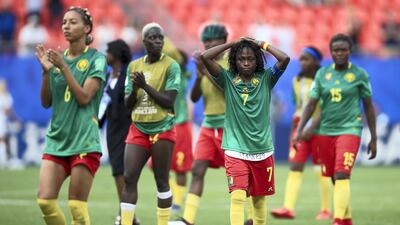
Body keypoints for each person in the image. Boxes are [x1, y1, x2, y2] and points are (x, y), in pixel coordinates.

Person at [201, 38, 290, 225]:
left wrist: (261, 44)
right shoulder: (227, 79)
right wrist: (231, 44)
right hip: (235, 149)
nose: (246, 62)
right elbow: (205, 57)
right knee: (238, 196)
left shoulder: (267, 78)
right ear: (235, 60)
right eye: (241, 59)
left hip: (262, 150)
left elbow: (285, 59)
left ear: (257, 59)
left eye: (251, 58)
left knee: (259, 200)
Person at [294, 34, 377, 225]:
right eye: (335, 50)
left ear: (350, 51)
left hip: (350, 129)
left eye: (343, 49)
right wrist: (300, 130)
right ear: (330, 52)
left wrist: (373, 137)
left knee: (342, 174)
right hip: (325, 132)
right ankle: (346, 219)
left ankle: (338, 220)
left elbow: (369, 106)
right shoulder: (322, 74)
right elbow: (311, 104)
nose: (339, 53)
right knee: (333, 176)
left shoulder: (360, 74)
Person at [35, 6, 107, 225]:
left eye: (73, 22)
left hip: (84, 140)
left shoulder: (97, 59)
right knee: (45, 202)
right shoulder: (57, 60)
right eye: (64, 22)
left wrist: (63, 67)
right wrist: (47, 74)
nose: (66, 26)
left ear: (87, 28)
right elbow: (46, 102)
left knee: (76, 207)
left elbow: (85, 97)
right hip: (57, 139)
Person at [120, 22, 181, 225]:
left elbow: (168, 101)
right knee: (129, 178)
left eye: (160, 38)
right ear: (144, 41)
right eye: (153, 38)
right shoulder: (134, 66)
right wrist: (136, 90)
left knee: (161, 180)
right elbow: (128, 104)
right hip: (138, 127)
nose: (157, 41)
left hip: (162, 127)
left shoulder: (171, 65)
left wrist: (144, 86)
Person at [169, 23, 229, 225]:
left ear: (224, 42)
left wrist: (207, 71)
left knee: (236, 175)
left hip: (229, 126)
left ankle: (250, 217)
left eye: (213, 40)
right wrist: (199, 75)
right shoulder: (205, 64)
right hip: (208, 124)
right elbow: (194, 98)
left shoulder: (232, 62)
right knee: (197, 170)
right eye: (205, 41)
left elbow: (227, 90)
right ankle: (188, 219)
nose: (208, 44)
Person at [271, 47, 333, 220]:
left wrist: (312, 126)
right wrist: (300, 127)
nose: (302, 62)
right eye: (301, 59)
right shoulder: (296, 81)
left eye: (306, 59)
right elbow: (298, 105)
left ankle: (326, 209)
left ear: (316, 62)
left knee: (320, 168)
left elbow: (327, 106)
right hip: (300, 125)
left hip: (320, 126)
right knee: (295, 165)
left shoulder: (325, 79)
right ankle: (288, 208)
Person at [97, 39, 140, 225]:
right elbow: (103, 105)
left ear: (115, 54)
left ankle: (124, 216)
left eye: (108, 51)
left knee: (123, 173)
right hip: (112, 131)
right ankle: (130, 216)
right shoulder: (108, 77)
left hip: (127, 128)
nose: (105, 55)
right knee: (118, 172)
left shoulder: (128, 75)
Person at [169, 49, 193, 214]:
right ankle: (174, 194)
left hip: (181, 125)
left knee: (181, 167)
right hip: (165, 124)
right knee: (155, 165)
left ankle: (178, 201)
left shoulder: (183, 74)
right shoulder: (166, 76)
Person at [0, 79, 13, 168]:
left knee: (2, 140)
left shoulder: (6, 96)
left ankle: (3, 160)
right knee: (2, 140)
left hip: (3, 120)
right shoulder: (5, 97)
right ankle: (3, 160)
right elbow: (8, 110)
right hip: (2, 120)